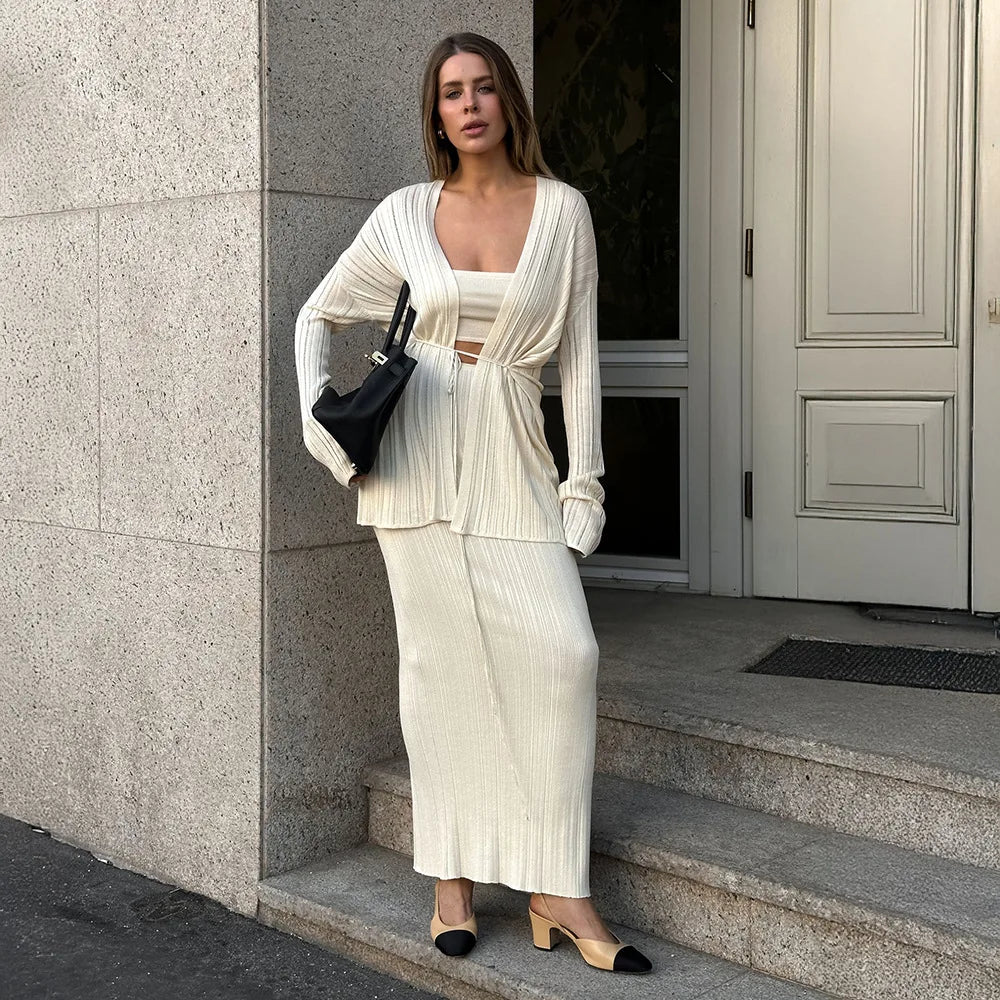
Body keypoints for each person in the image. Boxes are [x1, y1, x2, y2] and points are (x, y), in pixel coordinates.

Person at [294, 31, 652, 976]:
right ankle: (450, 878)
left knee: (565, 655)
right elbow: (318, 315)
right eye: (452, 92)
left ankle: (557, 886)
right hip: (413, 465)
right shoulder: (409, 213)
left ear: (508, 103)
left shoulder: (563, 211)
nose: (470, 104)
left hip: (514, 460)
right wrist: (321, 429)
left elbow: (578, 359)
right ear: (438, 113)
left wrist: (586, 480)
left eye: (485, 87)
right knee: (437, 669)